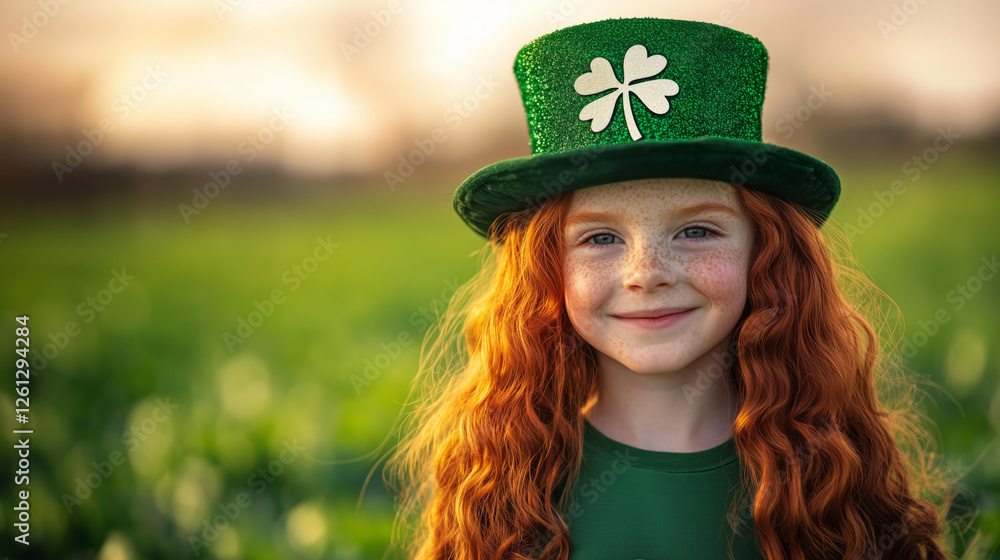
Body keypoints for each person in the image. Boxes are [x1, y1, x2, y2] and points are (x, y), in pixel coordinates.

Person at [381, 17, 955, 560]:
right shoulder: (506, 480)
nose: (646, 272)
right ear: (545, 269)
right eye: (601, 237)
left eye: (698, 230)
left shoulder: (830, 473)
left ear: (768, 253)